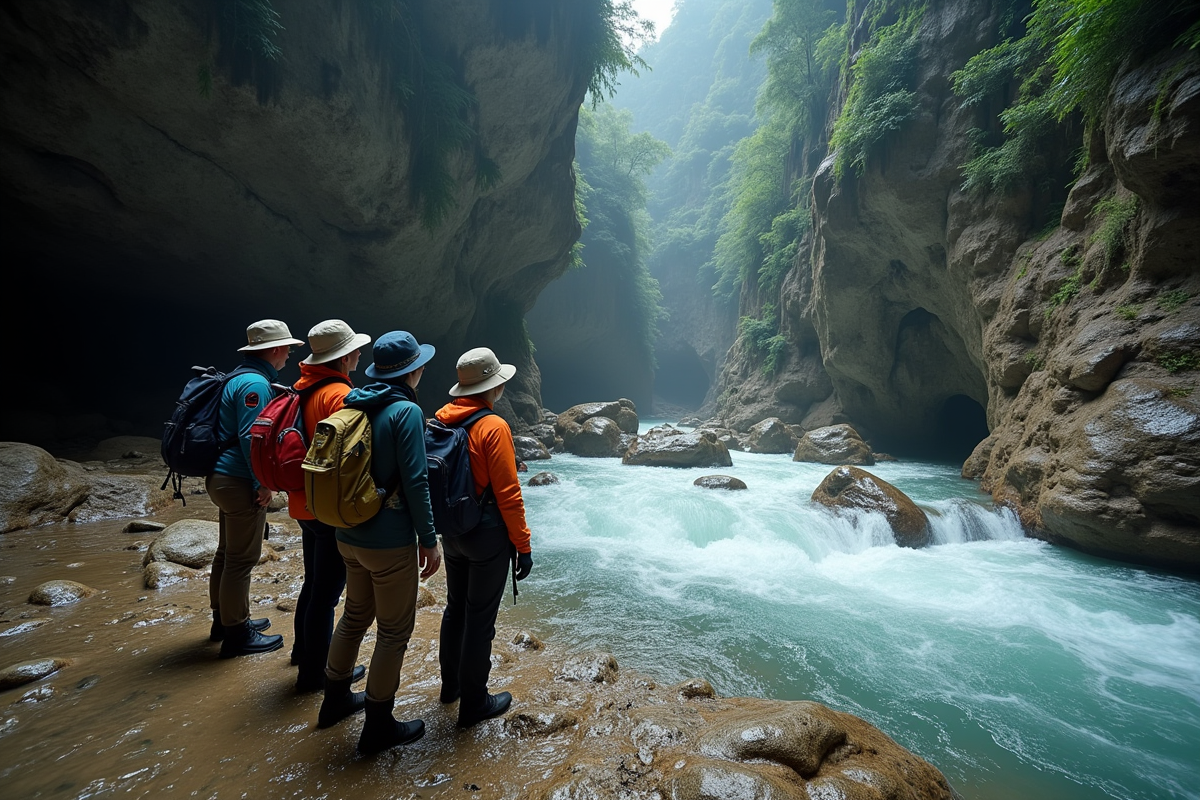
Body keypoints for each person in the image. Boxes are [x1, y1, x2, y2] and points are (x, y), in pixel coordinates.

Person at [316, 330, 443, 756]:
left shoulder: (354, 402)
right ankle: (378, 724)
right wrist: (429, 539)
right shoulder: (405, 411)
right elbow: (416, 479)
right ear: (414, 370)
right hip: (388, 542)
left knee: (353, 615)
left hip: (347, 533)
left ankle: (333, 701)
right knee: (393, 632)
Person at [434, 346, 534, 728]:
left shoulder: (441, 420)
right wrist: (523, 546)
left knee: (455, 607)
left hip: (453, 531)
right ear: (495, 386)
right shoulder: (493, 426)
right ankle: (474, 702)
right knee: (480, 619)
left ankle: (451, 687)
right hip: (487, 536)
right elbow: (508, 494)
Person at [209, 319, 303, 658]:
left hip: (222, 476)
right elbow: (253, 439)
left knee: (226, 553)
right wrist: (263, 482)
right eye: (288, 348)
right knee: (241, 558)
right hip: (238, 481)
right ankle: (237, 633)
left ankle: (223, 621)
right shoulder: (255, 384)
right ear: (275, 349)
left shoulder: (237, 376)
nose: (290, 354)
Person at [288, 320, 371, 693]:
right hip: (327, 507)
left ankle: (303, 654)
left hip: (304, 502)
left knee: (315, 584)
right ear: (344, 356)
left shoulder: (304, 387)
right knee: (326, 593)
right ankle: (314, 673)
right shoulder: (338, 393)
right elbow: (351, 457)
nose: (358, 354)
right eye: (354, 350)